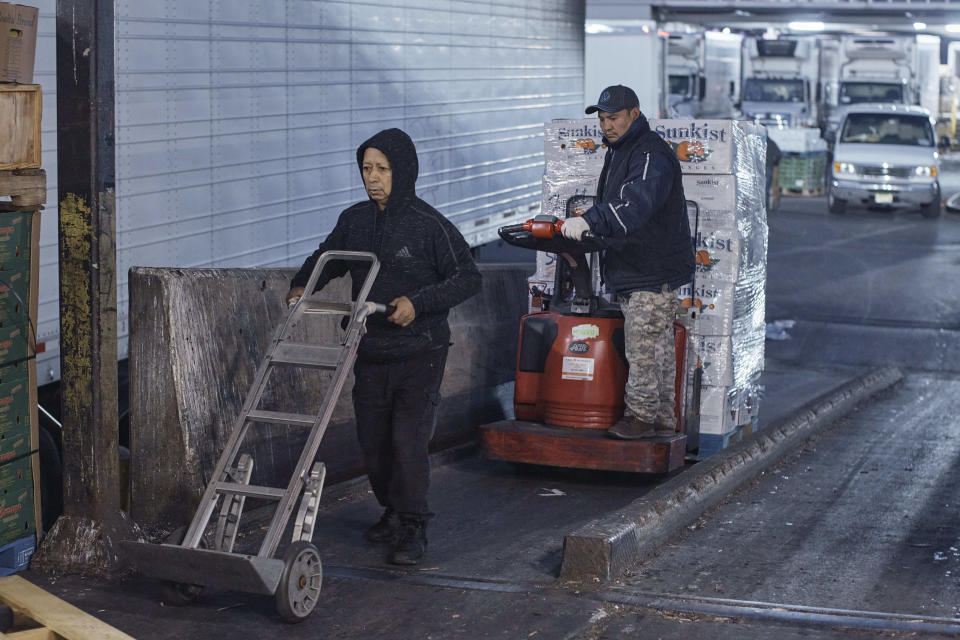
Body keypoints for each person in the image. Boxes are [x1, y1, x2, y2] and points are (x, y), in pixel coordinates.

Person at [286, 128, 482, 565]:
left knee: (407, 442)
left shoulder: (429, 225)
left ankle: (413, 525)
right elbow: (328, 257)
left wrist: (419, 302)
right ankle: (392, 511)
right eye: (366, 169)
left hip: (420, 352)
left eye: (382, 169)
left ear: (403, 171)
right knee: (373, 444)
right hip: (371, 349)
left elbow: (469, 276)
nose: (372, 178)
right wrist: (302, 284)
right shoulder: (355, 220)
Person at [561, 85, 695, 440]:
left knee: (643, 349)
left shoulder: (650, 154)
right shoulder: (621, 152)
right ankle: (662, 420)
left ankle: (639, 418)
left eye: (614, 118)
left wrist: (590, 220)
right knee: (659, 349)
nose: (607, 125)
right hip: (635, 270)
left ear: (635, 114)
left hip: (651, 272)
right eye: (603, 119)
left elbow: (633, 206)